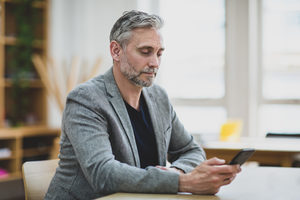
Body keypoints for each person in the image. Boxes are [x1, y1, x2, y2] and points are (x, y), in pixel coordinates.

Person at [45, 10, 241, 199]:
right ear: (116, 51)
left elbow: (190, 150)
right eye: (146, 52)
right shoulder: (85, 99)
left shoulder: (159, 97)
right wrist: (183, 182)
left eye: (159, 53)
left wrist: (175, 171)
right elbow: (103, 173)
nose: (155, 62)